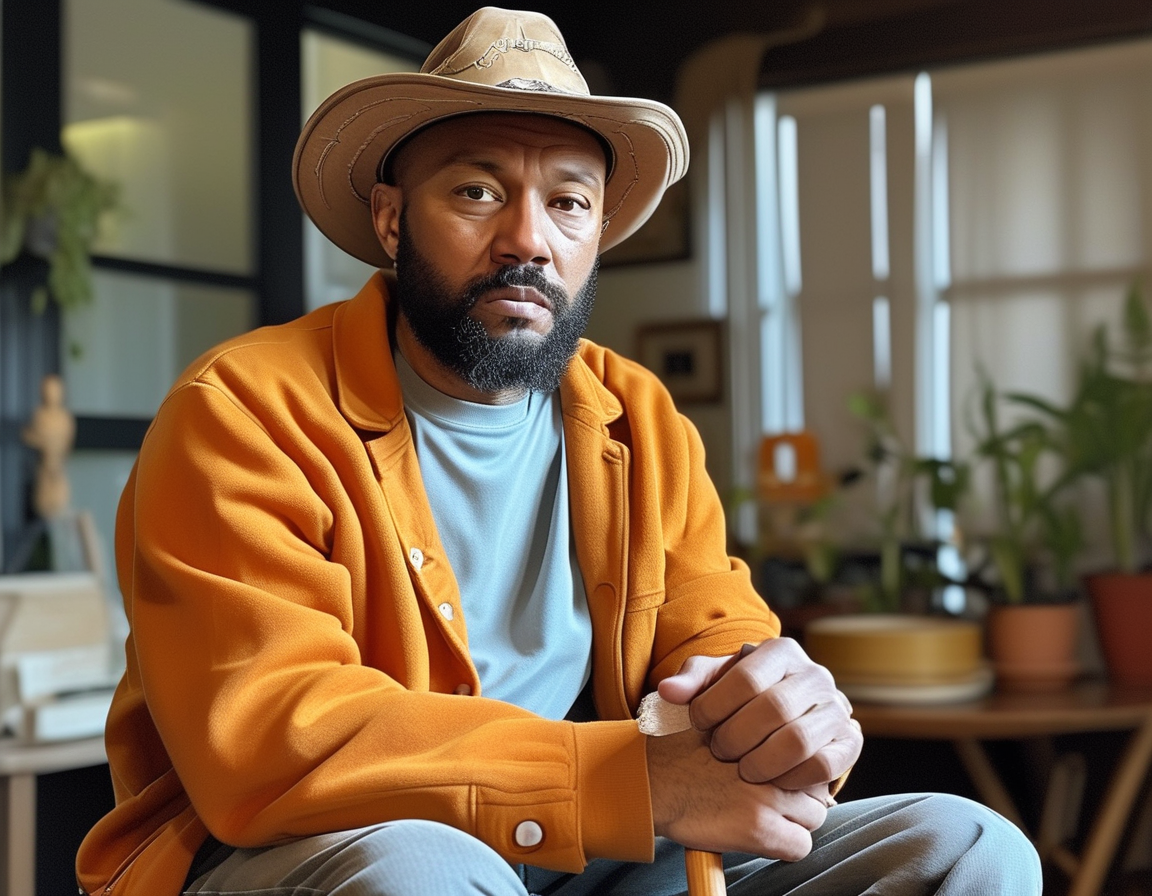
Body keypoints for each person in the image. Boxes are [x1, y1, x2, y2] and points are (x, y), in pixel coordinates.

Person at [77, 7, 1042, 895]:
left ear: (596, 236)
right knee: (421, 866)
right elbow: (272, 741)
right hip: (308, 848)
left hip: (602, 849)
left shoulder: (637, 415)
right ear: (389, 219)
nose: (526, 239)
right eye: (476, 190)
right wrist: (629, 780)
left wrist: (772, 702)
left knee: (967, 849)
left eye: (569, 203)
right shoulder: (243, 412)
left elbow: (711, 628)